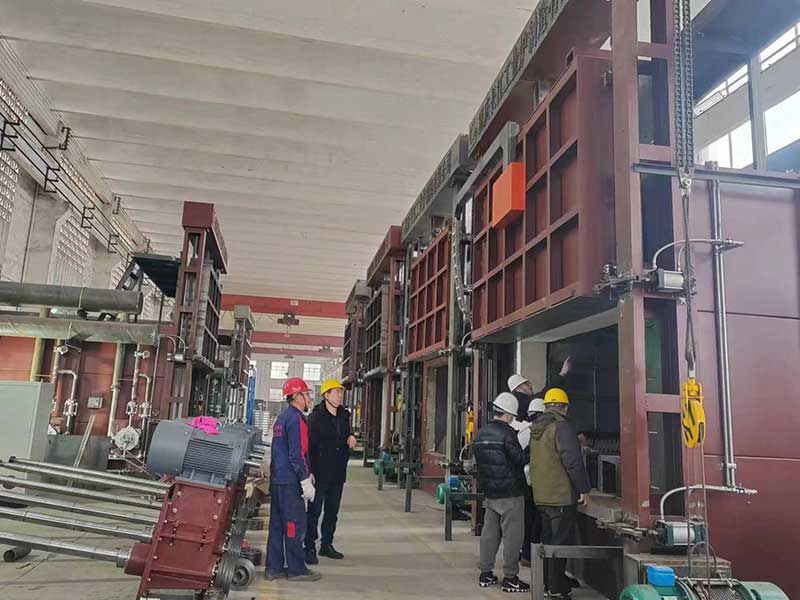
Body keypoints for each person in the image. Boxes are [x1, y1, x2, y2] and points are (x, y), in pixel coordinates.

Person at [529, 388, 592, 600]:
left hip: (542, 496)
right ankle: (556, 589)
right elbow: (572, 461)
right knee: (559, 545)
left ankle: (549, 583)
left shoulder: (537, 427)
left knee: (548, 543)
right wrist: (584, 489)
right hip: (560, 497)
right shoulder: (561, 427)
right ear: (564, 407)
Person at [265, 377, 321, 582]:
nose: (309, 398)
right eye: (306, 394)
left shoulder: (282, 418)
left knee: (277, 525)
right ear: (297, 397)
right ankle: (296, 569)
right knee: (294, 524)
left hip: (278, 480)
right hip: (290, 482)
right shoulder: (296, 420)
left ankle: (274, 567)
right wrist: (305, 480)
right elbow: (297, 454)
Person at [472, 392, 530, 594]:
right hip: (511, 494)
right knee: (513, 537)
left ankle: (485, 573)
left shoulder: (480, 433)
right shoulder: (507, 434)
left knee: (489, 534)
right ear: (508, 414)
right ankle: (510, 578)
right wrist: (531, 446)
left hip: (490, 494)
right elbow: (520, 459)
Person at [304, 378, 357, 564]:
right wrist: (309, 471)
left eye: (341, 392)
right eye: (336, 392)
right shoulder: (316, 418)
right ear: (326, 395)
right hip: (319, 472)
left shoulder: (344, 415)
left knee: (332, 511)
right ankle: (309, 547)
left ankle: (326, 545)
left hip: (338, 472)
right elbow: (309, 447)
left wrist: (351, 436)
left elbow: (347, 434)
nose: (340, 396)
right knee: (314, 511)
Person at [517, 397, 546, 567]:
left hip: (523, 484)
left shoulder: (523, 432)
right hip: (538, 485)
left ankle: (525, 553)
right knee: (537, 522)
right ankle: (532, 556)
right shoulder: (542, 433)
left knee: (526, 521)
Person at [508, 356, 572, 421]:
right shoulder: (519, 400)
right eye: (526, 384)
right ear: (517, 389)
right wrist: (562, 374)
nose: (530, 385)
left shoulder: (515, 402)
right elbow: (543, 394)